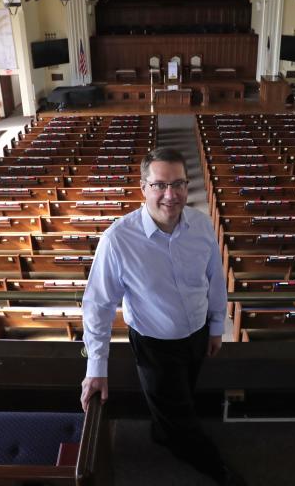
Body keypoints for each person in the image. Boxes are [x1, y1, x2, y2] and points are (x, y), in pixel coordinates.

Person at [80, 147, 242, 485]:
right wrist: (96, 366)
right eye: (160, 185)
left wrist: (215, 327)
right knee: (181, 415)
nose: (171, 195)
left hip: (197, 336)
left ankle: (163, 432)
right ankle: (214, 466)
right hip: (154, 345)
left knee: (181, 396)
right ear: (143, 188)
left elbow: (215, 277)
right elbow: (98, 304)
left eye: (179, 184)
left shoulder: (199, 223)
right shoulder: (117, 240)